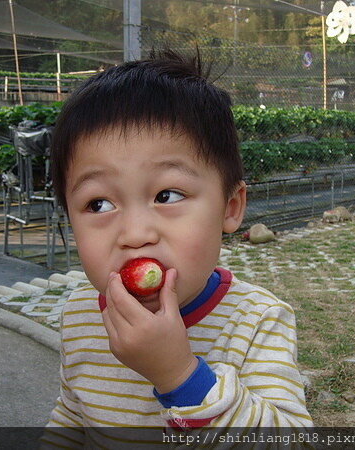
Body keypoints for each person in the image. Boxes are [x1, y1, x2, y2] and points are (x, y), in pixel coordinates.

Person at [41, 49, 312, 448]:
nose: (134, 234)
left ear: (229, 208)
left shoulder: (256, 324)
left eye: (167, 195)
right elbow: (71, 415)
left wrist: (180, 376)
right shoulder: (80, 315)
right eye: (98, 204)